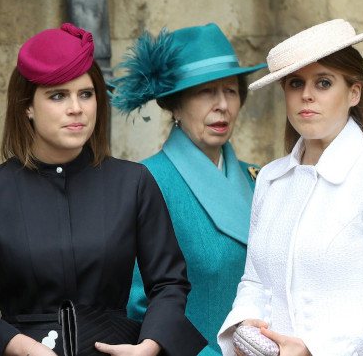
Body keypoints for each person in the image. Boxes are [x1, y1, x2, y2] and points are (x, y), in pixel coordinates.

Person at [0, 23, 206, 356]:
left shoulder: (133, 183)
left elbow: (169, 283)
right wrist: (14, 345)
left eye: (86, 93)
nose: (76, 108)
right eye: (57, 95)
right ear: (27, 106)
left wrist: (149, 346)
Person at [218, 19, 363, 356]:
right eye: (294, 83)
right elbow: (256, 282)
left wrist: (315, 349)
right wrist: (245, 326)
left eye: (323, 82)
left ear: (353, 92)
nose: (306, 95)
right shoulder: (271, 180)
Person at [111, 23, 265, 356]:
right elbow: (139, 304)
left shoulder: (260, 179)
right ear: (174, 104)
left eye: (231, 90)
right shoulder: (145, 181)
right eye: (206, 92)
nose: (222, 104)